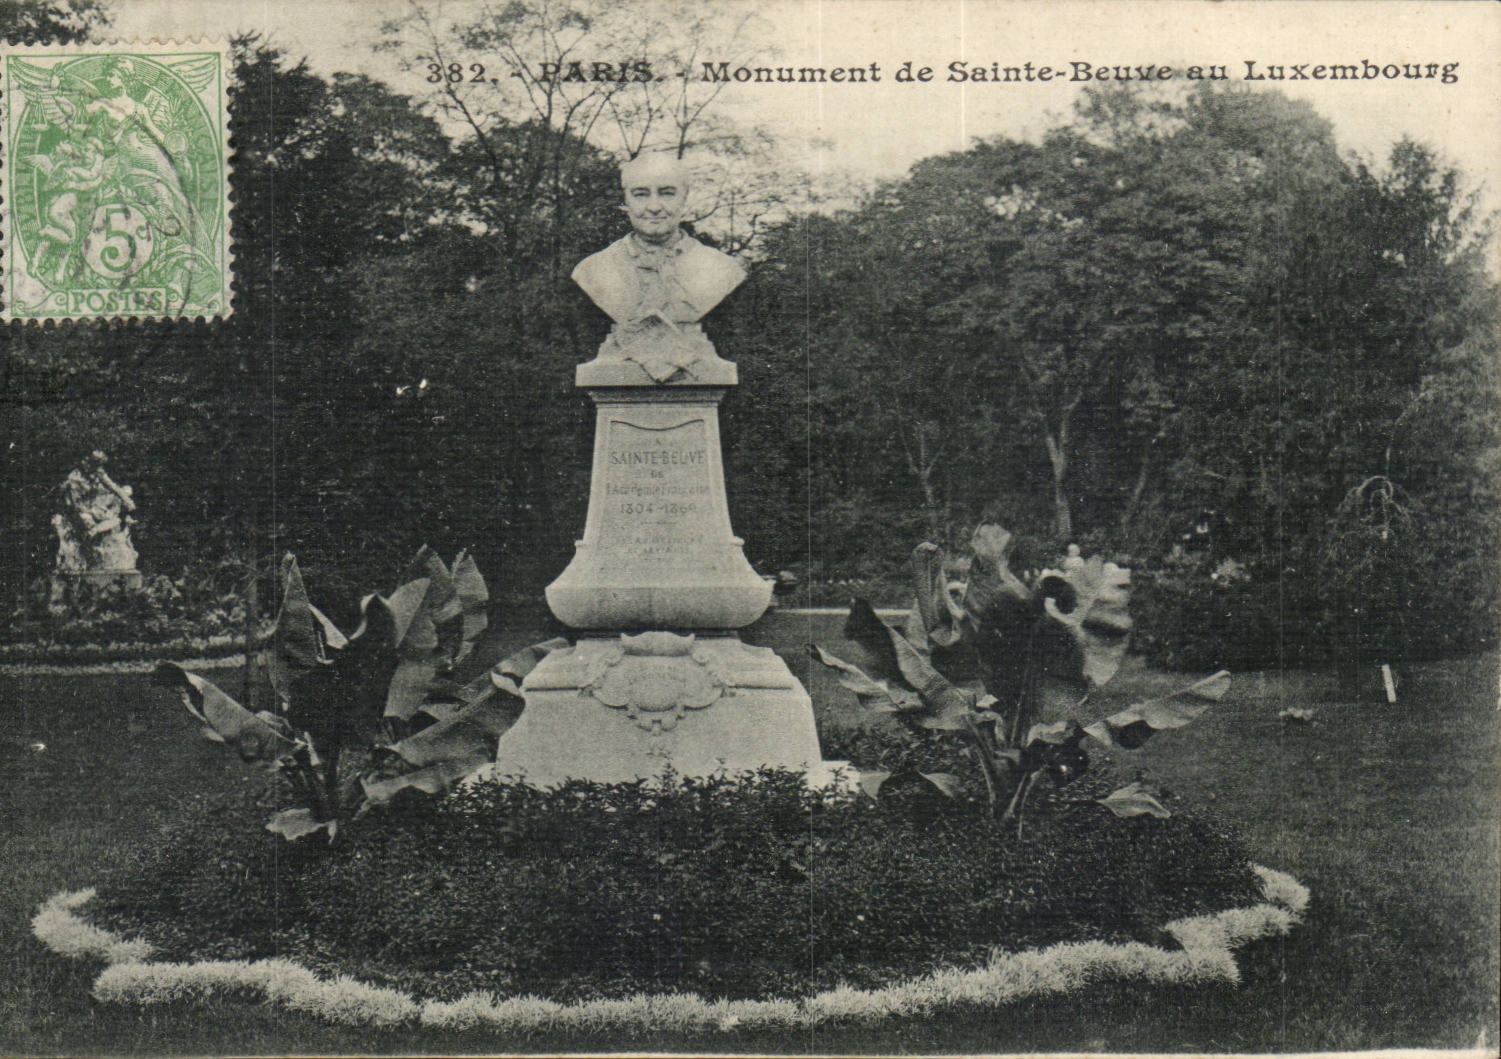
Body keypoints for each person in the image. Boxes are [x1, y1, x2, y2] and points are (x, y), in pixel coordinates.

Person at [572, 153, 744, 371]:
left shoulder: (720, 268)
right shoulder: (594, 270)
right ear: (626, 201)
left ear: (684, 198)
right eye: (641, 194)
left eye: (667, 193)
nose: (654, 206)